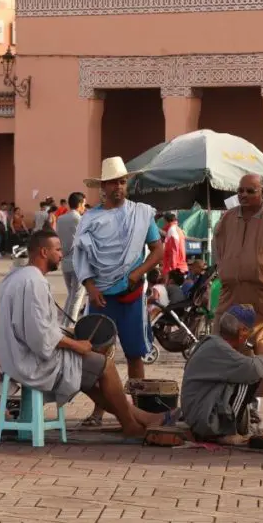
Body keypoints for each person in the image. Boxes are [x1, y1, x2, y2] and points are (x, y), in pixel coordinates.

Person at [0, 230, 169, 437]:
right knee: (104, 364)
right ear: (43, 252)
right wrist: (77, 345)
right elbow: (39, 335)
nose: (61, 255)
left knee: (89, 375)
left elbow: (34, 327)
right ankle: (131, 425)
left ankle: (139, 418)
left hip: (16, 358)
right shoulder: (35, 282)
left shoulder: (15, 276)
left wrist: (69, 334)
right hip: (31, 363)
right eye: (58, 250)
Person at [75, 156, 163, 426]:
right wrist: (90, 286)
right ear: (102, 186)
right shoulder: (89, 218)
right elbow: (81, 256)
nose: (118, 187)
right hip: (100, 295)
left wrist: (138, 273)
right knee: (98, 355)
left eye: (123, 182)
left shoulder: (141, 213)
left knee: (135, 353)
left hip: (132, 295)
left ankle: (138, 410)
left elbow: (158, 250)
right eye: (113, 182)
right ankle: (100, 411)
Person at [213, 173, 263, 406]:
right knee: (225, 343)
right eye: (240, 191)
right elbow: (220, 250)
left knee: (262, 347)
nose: (244, 195)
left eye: (250, 191)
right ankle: (227, 401)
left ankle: (253, 404)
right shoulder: (228, 219)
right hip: (231, 295)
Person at [180, 304, 263, 445]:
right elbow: (255, 370)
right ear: (242, 332)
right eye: (248, 332)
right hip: (203, 420)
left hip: (198, 414)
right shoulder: (220, 348)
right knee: (248, 379)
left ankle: (227, 426)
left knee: (243, 374)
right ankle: (225, 431)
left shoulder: (214, 343)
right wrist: (261, 355)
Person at [56, 191, 87, 325]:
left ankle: (64, 325)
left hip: (65, 263)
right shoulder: (79, 220)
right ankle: (70, 328)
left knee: (71, 296)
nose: (84, 208)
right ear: (79, 204)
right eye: (84, 205)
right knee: (77, 298)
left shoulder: (61, 219)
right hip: (78, 262)